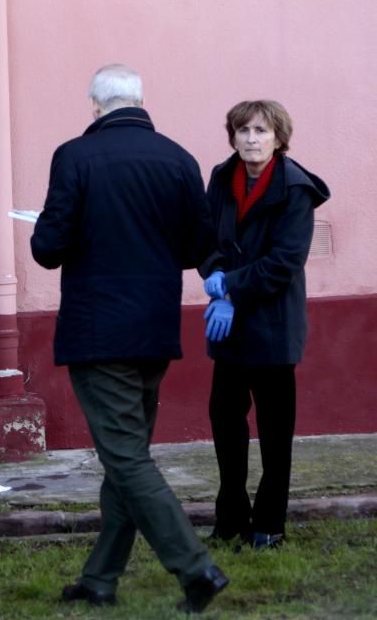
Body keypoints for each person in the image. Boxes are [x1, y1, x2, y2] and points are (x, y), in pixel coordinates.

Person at [30, 63, 228, 612]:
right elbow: (198, 247)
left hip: (99, 333)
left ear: (95, 106)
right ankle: (100, 580)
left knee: (127, 460)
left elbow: (48, 247)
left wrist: (55, 223)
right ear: (140, 101)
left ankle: (195, 569)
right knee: (128, 455)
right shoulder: (179, 159)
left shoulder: (75, 155)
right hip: (155, 329)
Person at [200, 100, 329, 550]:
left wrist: (230, 289)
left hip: (272, 326)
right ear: (232, 136)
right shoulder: (220, 178)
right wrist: (215, 276)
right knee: (225, 420)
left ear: (279, 137)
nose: (252, 139)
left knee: (275, 430)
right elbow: (207, 239)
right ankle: (231, 516)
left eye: (261, 130)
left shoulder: (296, 188)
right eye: (243, 130)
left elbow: (284, 262)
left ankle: (269, 523)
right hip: (229, 330)